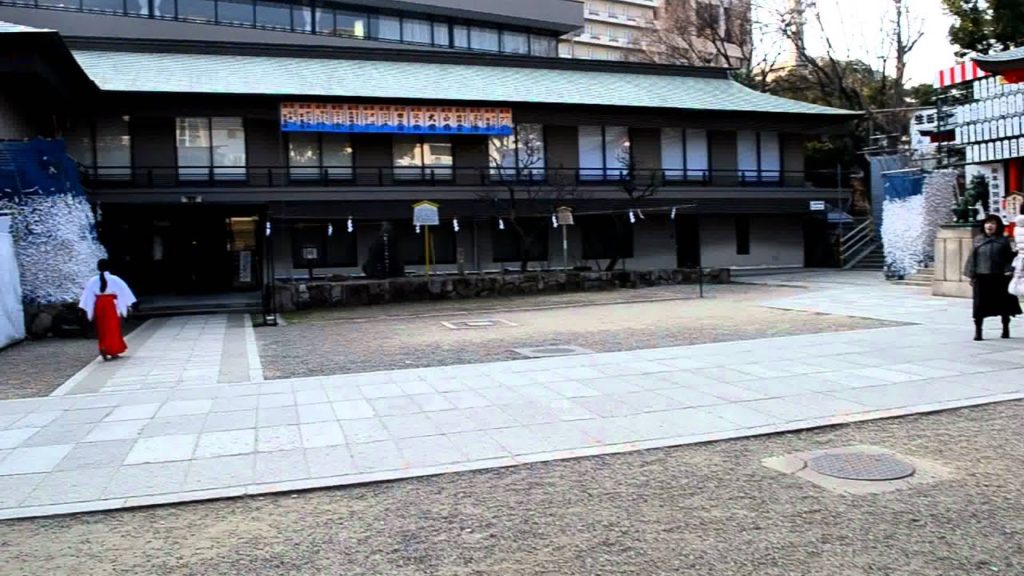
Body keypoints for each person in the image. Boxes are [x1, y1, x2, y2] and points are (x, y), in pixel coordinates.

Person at [965, 214, 1021, 340]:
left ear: (998, 226)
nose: (990, 226)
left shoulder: (1003, 241)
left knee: (1004, 306)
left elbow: (1009, 259)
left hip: (1000, 277)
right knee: (979, 306)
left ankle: (1005, 328)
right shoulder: (978, 240)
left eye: (993, 223)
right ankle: (978, 331)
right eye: (987, 223)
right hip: (982, 277)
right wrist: (971, 275)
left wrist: (1009, 270)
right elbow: (972, 259)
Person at [78, 259, 137, 360]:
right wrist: (125, 306)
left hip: (99, 304)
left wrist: (89, 311)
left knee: (102, 328)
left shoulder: (93, 281)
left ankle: (103, 347)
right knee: (113, 328)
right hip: (111, 304)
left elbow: (88, 296)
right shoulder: (115, 279)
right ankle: (112, 350)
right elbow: (124, 293)